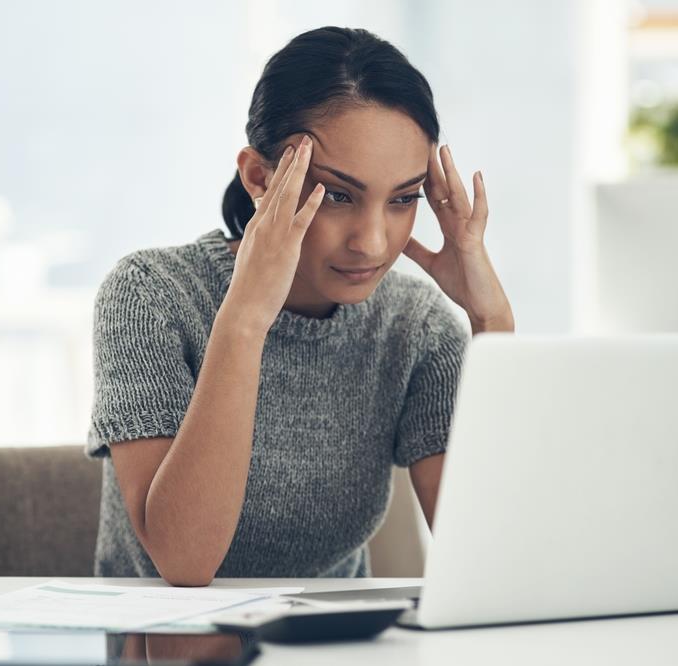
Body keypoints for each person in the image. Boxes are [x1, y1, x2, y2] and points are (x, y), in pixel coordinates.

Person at [85, 26, 514, 586]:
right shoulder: (150, 295)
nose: (374, 243)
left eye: (403, 199)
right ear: (260, 177)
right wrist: (244, 319)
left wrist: (493, 325)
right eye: (338, 195)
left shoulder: (417, 326)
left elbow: (491, 558)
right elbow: (184, 562)